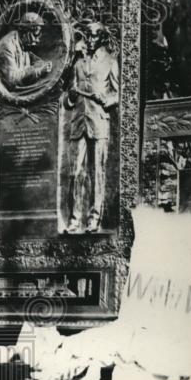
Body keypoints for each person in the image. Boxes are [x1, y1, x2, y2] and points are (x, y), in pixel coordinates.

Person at [64, 22, 119, 234]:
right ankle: (74, 219)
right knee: (75, 173)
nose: (91, 39)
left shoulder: (110, 61)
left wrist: (106, 99)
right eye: (88, 35)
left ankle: (95, 217)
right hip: (78, 122)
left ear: (102, 38)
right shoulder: (78, 64)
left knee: (97, 172)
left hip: (99, 122)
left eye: (96, 35)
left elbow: (119, 93)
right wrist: (71, 95)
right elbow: (68, 99)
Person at [0, 11, 53, 92]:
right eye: (36, 34)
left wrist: (43, 65)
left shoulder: (22, 42)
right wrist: (38, 70)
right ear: (26, 31)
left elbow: (33, 58)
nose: (37, 40)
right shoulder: (7, 46)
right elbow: (11, 81)